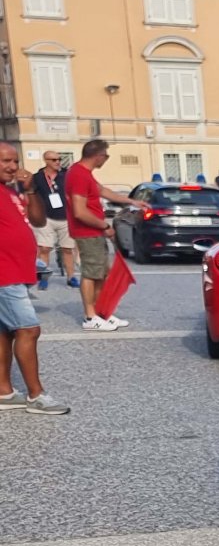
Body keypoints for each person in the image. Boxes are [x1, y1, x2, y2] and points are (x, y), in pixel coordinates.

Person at [0, 142, 68, 414]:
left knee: (5, 332)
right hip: (4, 273)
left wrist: (29, 190)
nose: (13, 167)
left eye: (15, 161)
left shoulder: (11, 191)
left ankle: (4, 391)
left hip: (17, 270)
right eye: (5, 161)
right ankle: (35, 395)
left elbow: (38, 221)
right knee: (29, 329)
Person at [66, 139, 135, 332]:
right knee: (91, 273)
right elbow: (79, 211)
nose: (106, 159)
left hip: (94, 231)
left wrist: (131, 201)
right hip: (87, 231)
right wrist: (104, 225)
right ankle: (90, 316)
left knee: (102, 273)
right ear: (99, 156)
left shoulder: (84, 174)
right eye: (106, 155)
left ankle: (101, 312)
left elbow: (102, 191)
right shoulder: (78, 175)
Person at [30, 151, 77, 290]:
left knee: (67, 249)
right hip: (45, 218)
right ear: (46, 161)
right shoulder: (37, 177)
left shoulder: (67, 175)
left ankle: (71, 277)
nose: (58, 162)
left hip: (66, 217)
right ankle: (43, 278)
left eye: (59, 159)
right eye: (54, 159)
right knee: (44, 248)